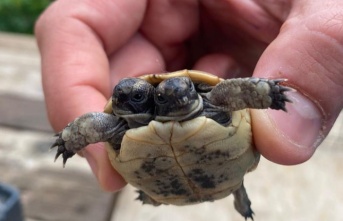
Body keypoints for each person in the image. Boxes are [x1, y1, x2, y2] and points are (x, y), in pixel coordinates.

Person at [35, 0, 343, 192]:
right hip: (168, 179)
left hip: (214, 172)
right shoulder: (118, 123)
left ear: (191, 94)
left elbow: (229, 91)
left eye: (177, 92)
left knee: (227, 93)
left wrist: (269, 93)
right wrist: (70, 138)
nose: (167, 97)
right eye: (128, 98)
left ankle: (238, 192)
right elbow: (90, 125)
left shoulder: (214, 99)